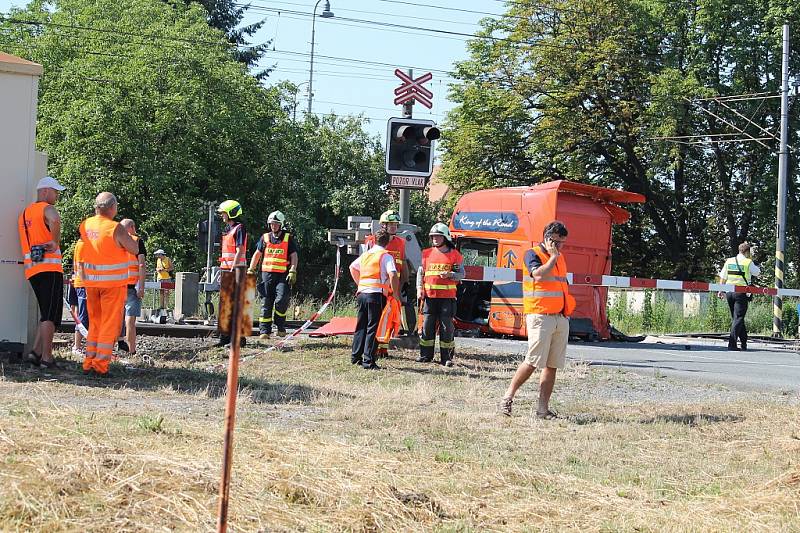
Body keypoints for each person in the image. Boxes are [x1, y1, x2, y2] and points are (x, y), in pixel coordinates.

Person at [500, 221, 576, 419]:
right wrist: (552, 258)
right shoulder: (532, 254)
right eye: (557, 242)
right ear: (547, 238)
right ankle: (508, 397)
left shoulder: (560, 257)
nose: (560, 246)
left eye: (563, 243)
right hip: (540, 316)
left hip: (560, 317)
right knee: (533, 361)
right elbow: (538, 275)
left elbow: (561, 285)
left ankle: (542, 410)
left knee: (552, 365)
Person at [79, 192, 139, 376]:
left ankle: (89, 361)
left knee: (95, 323)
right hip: (112, 285)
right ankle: (100, 365)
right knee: (109, 325)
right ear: (113, 207)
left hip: (91, 283)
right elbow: (134, 248)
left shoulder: (85, 225)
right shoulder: (116, 228)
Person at [17, 176, 66, 369]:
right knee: (51, 316)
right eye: (55, 192)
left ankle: (35, 352)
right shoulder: (47, 208)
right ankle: (47, 358)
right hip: (50, 268)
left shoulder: (25, 213)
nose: (57, 196)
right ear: (45, 191)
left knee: (45, 311)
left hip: (33, 270)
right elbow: (55, 219)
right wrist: (55, 242)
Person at [350, 229, 400, 370]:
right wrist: (395, 293)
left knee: (361, 325)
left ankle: (356, 356)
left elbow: (352, 267)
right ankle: (369, 360)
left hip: (362, 293)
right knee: (374, 327)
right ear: (388, 241)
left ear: (374, 240)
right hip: (376, 295)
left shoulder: (366, 255)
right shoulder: (386, 256)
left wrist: (360, 283)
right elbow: (393, 275)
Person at [416, 223, 464, 366]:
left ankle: (447, 358)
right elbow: (421, 273)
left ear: (445, 237)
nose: (435, 239)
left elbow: (461, 274)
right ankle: (425, 355)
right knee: (427, 327)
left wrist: (450, 274)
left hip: (447, 299)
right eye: (433, 236)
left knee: (446, 328)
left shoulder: (454, 255)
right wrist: (419, 288)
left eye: (438, 236)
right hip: (430, 298)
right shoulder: (426, 253)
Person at [364, 209, 411, 357]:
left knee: (389, 319)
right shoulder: (372, 241)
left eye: (395, 225)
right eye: (390, 224)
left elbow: (402, 264)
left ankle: (383, 349)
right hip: (377, 287)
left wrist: (405, 282)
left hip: (393, 287)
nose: (393, 227)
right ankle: (373, 348)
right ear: (383, 225)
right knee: (375, 319)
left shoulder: (401, 243)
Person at [248, 211, 298, 339]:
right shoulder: (265, 238)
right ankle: (265, 331)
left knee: (281, 300)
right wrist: (251, 269)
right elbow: (257, 254)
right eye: (271, 224)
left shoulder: (287, 238)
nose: (273, 226)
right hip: (267, 275)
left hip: (283, 275)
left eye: (276, 224)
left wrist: (292, 270)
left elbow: (294, 255)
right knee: (266, 302)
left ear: (281, 224)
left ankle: (280, 326)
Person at [718, 242, 760, 351]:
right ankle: (732, 344)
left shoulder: (729, 261)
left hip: (729, 292)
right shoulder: (748, 262)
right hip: (741, 293)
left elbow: (723, 277)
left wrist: (720, 290)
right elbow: (757, 273)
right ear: (747, 252)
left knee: (737, 318)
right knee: (739, 318)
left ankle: (744, 342)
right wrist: (751, 260)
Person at [217, 199, 247, 346]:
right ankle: (224, 338)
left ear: (231, 213)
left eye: (224, 213)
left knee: (236, 305)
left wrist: (232, 268)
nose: (222, 216)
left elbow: (240, 249)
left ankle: (239, 339)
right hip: (226, 269)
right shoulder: (228, 230)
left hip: (236, 270)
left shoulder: (239, 228)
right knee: (225, 305)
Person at [117, 219, 146, 356]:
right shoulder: (137, 241)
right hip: (132, 286)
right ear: (132, 227)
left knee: (117, 317)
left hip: (117, 285)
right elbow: (141, 264)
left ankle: (116, 344)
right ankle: (132, 350)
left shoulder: (116, 241)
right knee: (130, 319)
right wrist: (142, 287)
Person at [69, 240, 89, 356]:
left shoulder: (82, 244)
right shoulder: (83, 244)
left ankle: (80, 346)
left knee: (84, 315)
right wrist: (86, 285)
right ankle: (77, 346)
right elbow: (81, 266)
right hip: (83, 285)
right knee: (83, 316)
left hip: (83, 284)